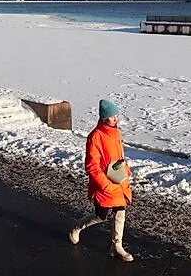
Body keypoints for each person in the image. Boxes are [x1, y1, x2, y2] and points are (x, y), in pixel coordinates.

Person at [68, 99, 134, 262]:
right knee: (101, 215)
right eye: (112, 117)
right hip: (103, 183)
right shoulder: (95, 137)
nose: (115, 119)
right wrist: (104, 184)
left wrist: (126, 170)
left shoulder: (116, 133)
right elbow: (92, 166)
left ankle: (117, 246)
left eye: (116, 116)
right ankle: (77, 226)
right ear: (104, 118)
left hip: (118, 180)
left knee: (120, 211)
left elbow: (119, 157)